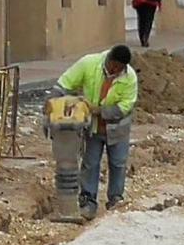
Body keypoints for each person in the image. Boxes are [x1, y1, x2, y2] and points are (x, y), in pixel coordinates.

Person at [56, 45, 138, 220]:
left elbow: (124, 107)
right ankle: (88, 201)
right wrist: (55, 96)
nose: (115, 71)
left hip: (117, 129)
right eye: (113, 66)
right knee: (90, 163)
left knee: (118, 163)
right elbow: (66, 81)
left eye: (119, 69)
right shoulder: (90, 64)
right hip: (93, 128)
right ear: (109, 59)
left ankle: (115, 198)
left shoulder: (130, 78)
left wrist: (98, 110)